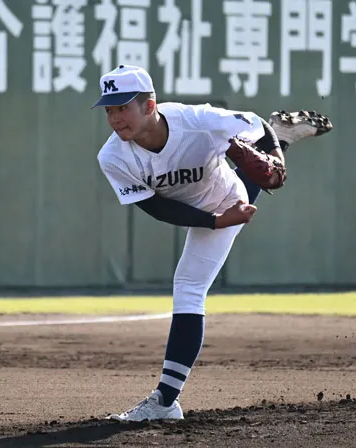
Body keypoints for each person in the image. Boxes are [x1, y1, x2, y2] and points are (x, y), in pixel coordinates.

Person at [91, 64, 332, 422]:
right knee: (234, 197)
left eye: (123, 106)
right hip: (208, 210)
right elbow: (156, 207)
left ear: (149, 106)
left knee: (188, 286)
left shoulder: (199, 121)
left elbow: (256, 127)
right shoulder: (113, 156)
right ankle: (282, 138)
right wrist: (216, 222)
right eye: (109, 109)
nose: (115, 118)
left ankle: (165, 402)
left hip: (223, 197)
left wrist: (276, 164)